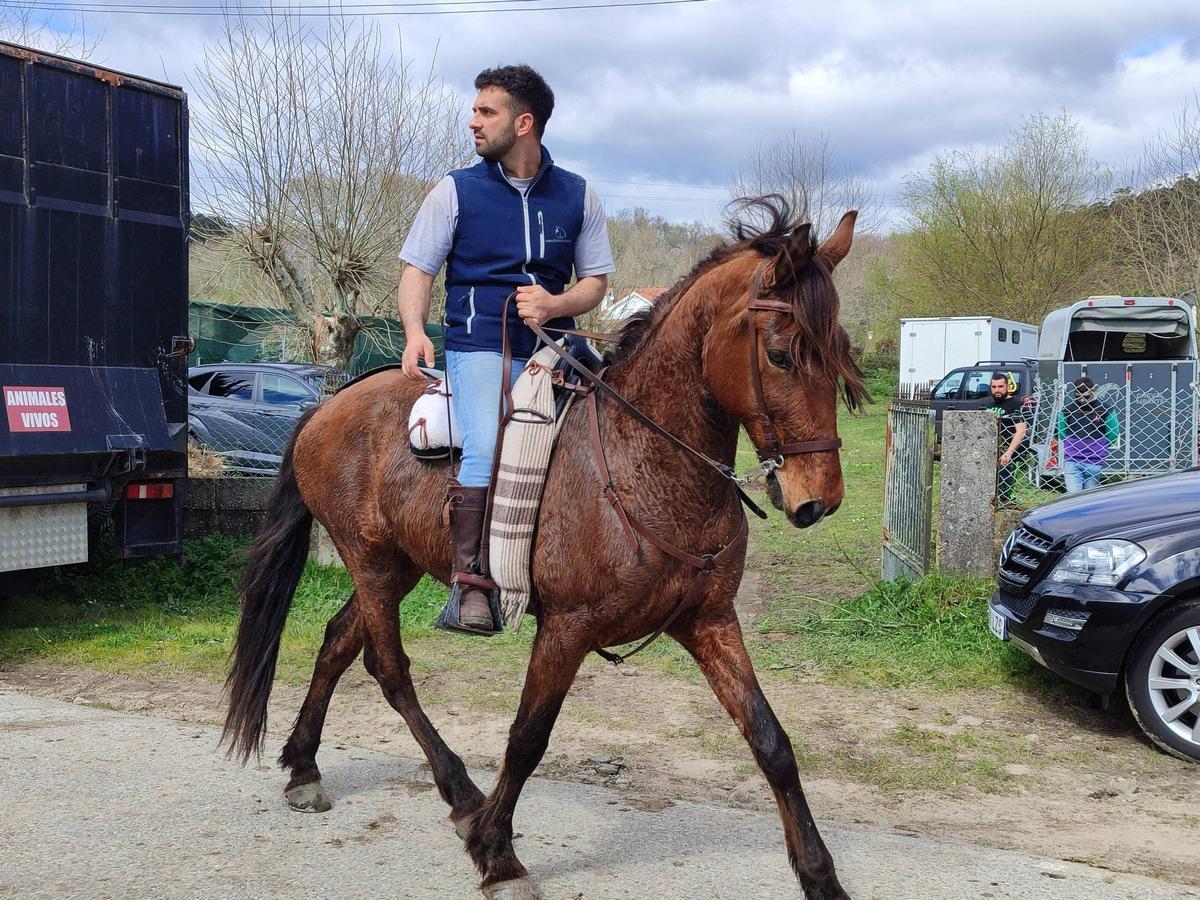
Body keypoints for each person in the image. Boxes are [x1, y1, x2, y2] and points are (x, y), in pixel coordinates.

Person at [396, 64, 615, 635]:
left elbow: (594, 282)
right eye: (475, 111)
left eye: (485, 112)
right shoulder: (455, 190)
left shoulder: (578, 194)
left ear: (523, 123)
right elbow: (417, 269)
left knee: (610, 428)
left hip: (555, 346)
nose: (472, 122)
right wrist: (416, 331)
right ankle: (471, 585)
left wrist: (554, 304)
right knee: (486, 445)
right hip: (478, 346)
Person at [1057, 376, 1119, 493]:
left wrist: (1099, 445)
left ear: (1093, 390)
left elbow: (1113, 434)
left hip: (1094, 460)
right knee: (1073, 495)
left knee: (1088, 497)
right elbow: (1061, 432)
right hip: (1072, 459)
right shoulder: (1067, 410)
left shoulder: (1106, 409)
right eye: (1077, 396)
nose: (1081, 400)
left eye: (1085, 396)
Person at [980, 372, 1030, 505]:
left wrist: (1009, 452)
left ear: (1007, 386)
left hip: (1010, 452)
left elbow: (1021, 431)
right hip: (991, 450)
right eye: (994, 386)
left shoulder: (1016, 404)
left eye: (1001, 386)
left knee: (1006, 490)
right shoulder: (988, 404)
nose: (997, 390)